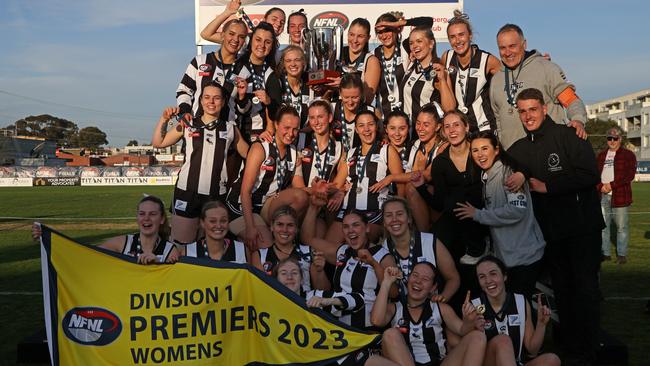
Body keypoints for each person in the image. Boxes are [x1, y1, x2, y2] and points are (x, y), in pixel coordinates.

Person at [507, 88, 604, 365]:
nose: (528, 116)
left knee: (585, 289)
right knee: (562, 291)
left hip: (582, 229)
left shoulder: (569, 135)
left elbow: (589, 175)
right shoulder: (519, 149)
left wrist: (548, 186)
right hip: (552, 233)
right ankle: (572, 346)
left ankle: (589, 349)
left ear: (545, 108)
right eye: (523, 111)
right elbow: (502, 166)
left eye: (533, 109)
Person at [453, 131, 545, 300]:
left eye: (484, 149)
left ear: (496, 150)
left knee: (520, 310)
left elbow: (517, 211)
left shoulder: (508, 173)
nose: (480, 155)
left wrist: (478, 214)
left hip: (524, 256)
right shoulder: (487, 176)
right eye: (475, 150)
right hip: (508, 258)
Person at [153, 82, 249, 243]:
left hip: (216, 195)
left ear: (224, 102)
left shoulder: (230, 128)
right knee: (181, 246)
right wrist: (164, 119)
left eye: (216, 98)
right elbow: (159, 142)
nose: (211, 102)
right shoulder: (188, 124)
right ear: (201, 100)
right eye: (207, 97)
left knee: (213, 248)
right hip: (187, 192)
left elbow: (249, 154)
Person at [273, 257, 397, 366]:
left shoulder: (313, 296)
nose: (289, 277)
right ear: (276, 279)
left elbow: (358, 299)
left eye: (294, 273)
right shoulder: (270, 303)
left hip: (331, 354)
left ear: (301, 280)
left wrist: (327, 301)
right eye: (284, 273)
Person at [301, 192, 398, 331]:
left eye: (356, 225)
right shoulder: (341, 251)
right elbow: (308, 239)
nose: (350, 230)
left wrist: (373, 264)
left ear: (367, 228)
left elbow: (394, 293)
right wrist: (313, 206)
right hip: (338, 328)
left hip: (367, 328)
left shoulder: (382, 255)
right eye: (346, 227)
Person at [489, 24, 587, 149]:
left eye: (512, 46)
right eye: (502, 48)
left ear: (524, 45)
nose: (507, 53)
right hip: (513, 158)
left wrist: (578, 120)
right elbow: (498, 120)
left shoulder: (546, 68)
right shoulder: (496, 79)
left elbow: (571, 100)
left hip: (549, 153)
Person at [226, 106, 308, 251]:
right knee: (265, 245)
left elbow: (299, 190)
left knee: (302, 197)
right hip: (241, 206)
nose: (291, 133)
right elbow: (245, 192)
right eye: (286, 127)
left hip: (266, 206)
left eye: (295, 129)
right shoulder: (260, 148)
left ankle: (283, 231)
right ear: (276, 125)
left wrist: (317, 189)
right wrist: (250, 227)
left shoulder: (294, 153)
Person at [371, 263, 486, 366]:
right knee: (389, 335)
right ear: (408, 278)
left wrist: (468, 321)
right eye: (415, 275)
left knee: (478, 336)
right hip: (405, 362)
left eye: (425, 279)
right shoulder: (395, 308)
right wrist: (386, 282)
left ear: (433, 287)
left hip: (439, 362)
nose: (418, 281)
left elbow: (462, 329)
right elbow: (376, 320)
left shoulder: (441, 308)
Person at [414, 111, 487, 266]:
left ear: (466, 127)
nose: (452, 130)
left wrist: (521, 174)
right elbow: (440, 204)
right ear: (444, 131)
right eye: (447, 127)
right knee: (437, 244)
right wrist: (421, 188)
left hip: (485, 213)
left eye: (456, 125)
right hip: (456, 217)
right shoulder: (441, 162)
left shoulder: (480, 150)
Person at [328, 110, 407, 244]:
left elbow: (400, 183)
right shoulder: (350, 153)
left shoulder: (387, 150)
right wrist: (340, 191)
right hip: (348, 211)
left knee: (357, 246)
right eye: (361, 126)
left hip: (374, 212)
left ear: (376, 126)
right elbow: (337, 184)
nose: (366, 130)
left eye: (370, 124)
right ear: (357, 130)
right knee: (328, 248)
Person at [33, 196, 178, 265]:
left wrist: (158, 263)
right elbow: (86, 255)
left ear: (162, 219)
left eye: (152, 214)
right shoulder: (122, 243)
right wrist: (47, 237)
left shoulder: (170, 250)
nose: (146, 218)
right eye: (141, 214)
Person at [472, 256, 561, 366]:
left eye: (493, 273)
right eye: (482, 277)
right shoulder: (474, 307)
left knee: (552, 360)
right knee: (503, 341)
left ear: (504, 276)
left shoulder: (520, 301)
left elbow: (532, 350)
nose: (488, 280)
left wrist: (541, 324)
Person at [381, 196, 460, 303]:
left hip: (430, 312)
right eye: (389, 215)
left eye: (399, 214)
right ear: (384, 222)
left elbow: (453, 278)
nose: (394, 219)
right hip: (398, 314)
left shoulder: (430, 241)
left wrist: (441, 300)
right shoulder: (382, 250)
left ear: (409, 218)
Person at [179, 16, 249, 122]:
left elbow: (244, 111)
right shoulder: (200, 61)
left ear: (244, 41)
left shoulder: (245, 72)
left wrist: (242, 97)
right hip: (195, 130)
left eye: (241, 36)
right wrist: (185, 112)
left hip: (226, 134)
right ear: (222, 35)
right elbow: (184, 91)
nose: (235, 39)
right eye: (231, 34)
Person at [441, 10, 500, 132]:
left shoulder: (487, 60)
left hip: (484, 127)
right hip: (459, 129)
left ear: (470, 36)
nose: (457, 41)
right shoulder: (446, 57)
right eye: (452, 37)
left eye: (461, 35)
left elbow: (509, 76)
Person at [252, 206, 329, 292]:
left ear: (296, 229)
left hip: (303, 303)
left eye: (290, 225)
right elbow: (258, 289)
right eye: (280, 224)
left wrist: (320, 271)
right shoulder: (260, 255)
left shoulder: (308, 252)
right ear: (272, 227)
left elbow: (323, 291)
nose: (285, 230)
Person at [400, 26, 456, 137]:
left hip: (429, 135)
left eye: (419, 41)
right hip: (409, 135)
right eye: (411, 43)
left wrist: (442, 81)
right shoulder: (411, 66)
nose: (414, 46)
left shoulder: (438, 70)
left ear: (431, 44)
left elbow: (450, 109)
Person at [403, 105, 448, 231]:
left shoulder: (443, 146)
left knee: (412, 187)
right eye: (418, 123)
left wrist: (390, 178)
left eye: (426, 124)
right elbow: (409, 176)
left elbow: (425, 176)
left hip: (441, 200)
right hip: (422, 199)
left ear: (438, 126)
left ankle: (424, 236)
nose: (420, 128)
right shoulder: (415, 144)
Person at [235, 22, 279, 143]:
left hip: (261, 137)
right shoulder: (237, 65)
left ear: (272, 46)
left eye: (267, 42)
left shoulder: (272, 74)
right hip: (235, 134)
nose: (262, 45)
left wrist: (269, 102)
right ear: (251, 41)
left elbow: (277, 111)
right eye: (258, 40)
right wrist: (241, 97)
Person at [597, 127, 636, 263]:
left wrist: (611, 185)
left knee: (621, 227)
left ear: (620, 139)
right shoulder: (601, 155)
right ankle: (605, 253)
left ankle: (622, 254)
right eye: (609, 138)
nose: (612, 141)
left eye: (615, 138)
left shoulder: (628, 155)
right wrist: (600, 186)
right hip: (602, 196)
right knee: (603, 227)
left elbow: (629, 175)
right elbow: (595, 176)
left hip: (620, 196)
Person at [331, 18, 381, 103]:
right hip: (335, 110)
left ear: (368, 38)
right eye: (352, 35)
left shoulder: (371, 61)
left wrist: (345, 85)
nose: (355, 40)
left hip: (358, 113)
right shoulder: (337, 54)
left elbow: (368, 98)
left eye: (360, 36)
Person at [181, 201, 248, 263]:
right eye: (212, 221)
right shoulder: (188, 252)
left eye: (223, 221)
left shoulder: (242, 250)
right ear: (202, 223)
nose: (218, 226)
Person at [373, 12, 409, 119]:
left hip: (408, 118)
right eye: (380, 32)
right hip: (385, 120)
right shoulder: (372, 55)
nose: (384, 36)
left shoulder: (406, 48)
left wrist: (399, 23)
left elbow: (427, 22)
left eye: (387, 30)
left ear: (396, 29)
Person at [332, 73, 379, 153]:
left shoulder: (371, 111)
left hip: (361, 161)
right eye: (346, 97)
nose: (350, 102)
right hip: (337, 160)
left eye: (354, 97)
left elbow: (383, 136)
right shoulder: (331, 108)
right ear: (340, 93)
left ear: (361, 94)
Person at [267, 46, 312, 128]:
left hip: (304, 133)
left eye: (297, 60)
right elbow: (272, 114)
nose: (293, 64)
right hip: (283, 134)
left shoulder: (309, 81)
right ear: (284, 64)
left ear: (303, 62)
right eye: (288, 61)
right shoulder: (277, 81)